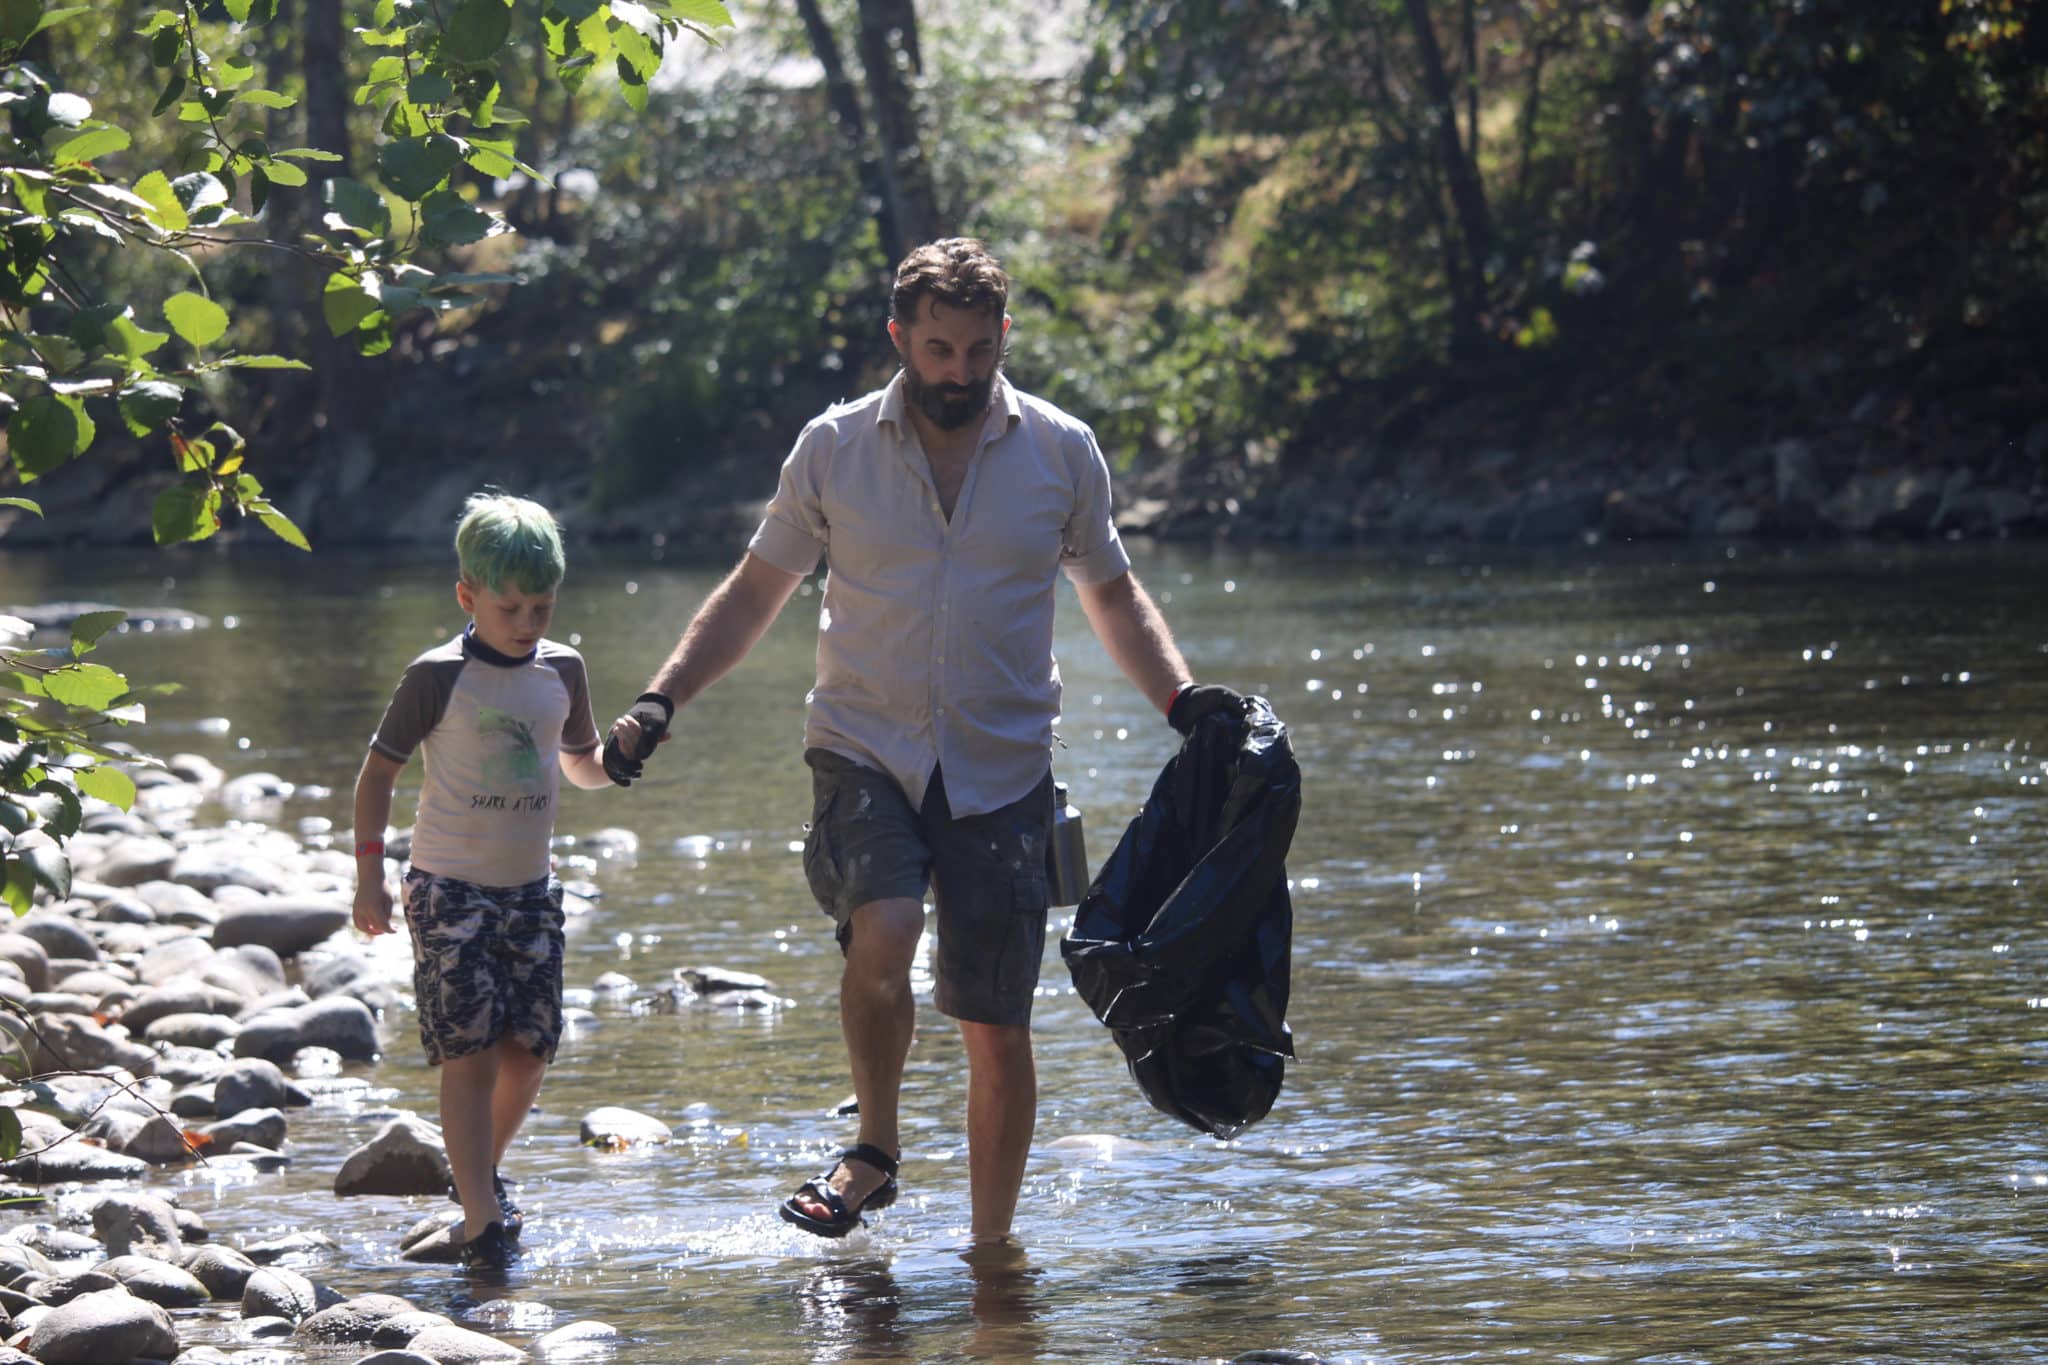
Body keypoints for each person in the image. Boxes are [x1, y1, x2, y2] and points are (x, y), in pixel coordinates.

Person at [606, 238, 1221, 1246]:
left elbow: (1109, 593)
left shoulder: (1061, 451)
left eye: (978, 350)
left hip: (1005, 765)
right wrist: (660, 701)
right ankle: (877, 1148)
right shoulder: (833, 449)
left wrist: (1182, 703)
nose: (959, 373)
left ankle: (989, 1256)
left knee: (995, 1024)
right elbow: (755, 592)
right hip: (862, 746)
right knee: (883, 927)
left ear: (1002, 338)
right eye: (938, 349)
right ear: (899, 338)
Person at [352, 492, 615, 1271]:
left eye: (542, 604)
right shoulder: (438, 676)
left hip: (532, 889)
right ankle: (480, 1216)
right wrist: (368, 878)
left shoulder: (562, 667)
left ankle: (478, 1180)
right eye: (511, 607)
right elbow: (376, 776)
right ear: (468, 596)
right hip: (450, 886)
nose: (529, 621)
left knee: (530, 1047)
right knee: (468, 1055)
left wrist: (625, 754)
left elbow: (582, 764)